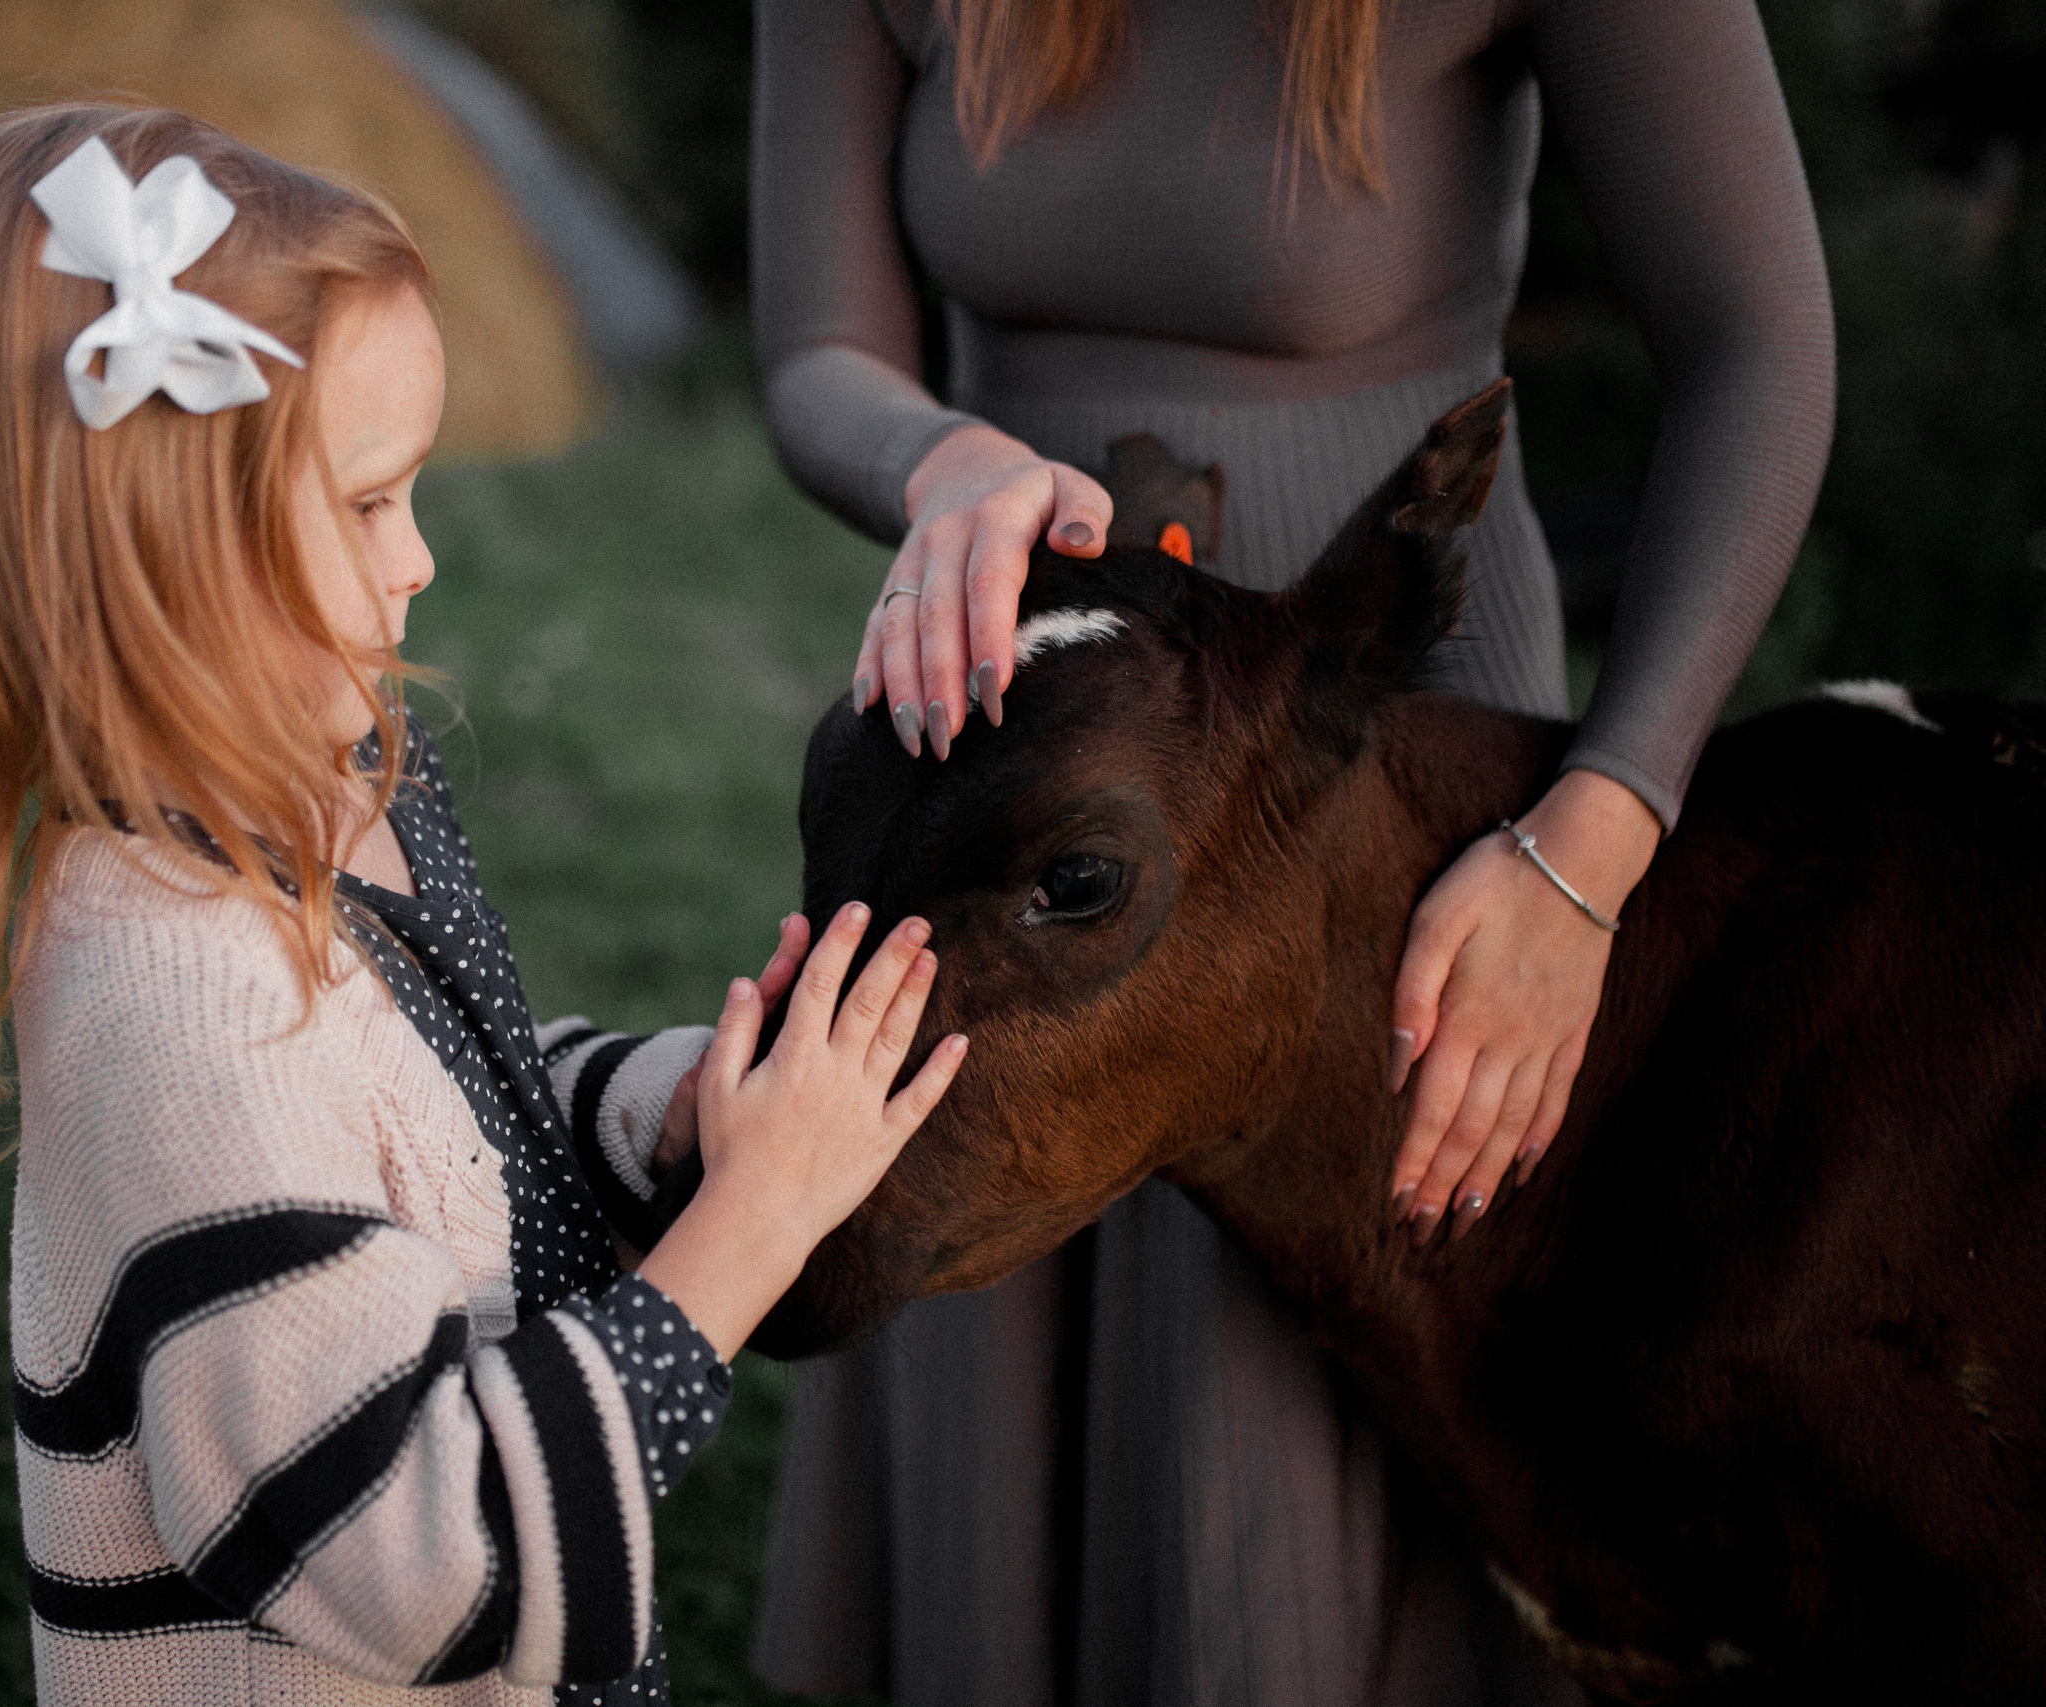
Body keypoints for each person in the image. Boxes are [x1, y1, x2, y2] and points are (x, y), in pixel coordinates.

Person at [748, 1, 1834, 1702]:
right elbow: (818, 344)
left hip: (1370, 788)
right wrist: (941, 460)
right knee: (951, 1275)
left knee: (1278, 1451)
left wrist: (1601, 828)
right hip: (1000, 761)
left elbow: (1761, 343)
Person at [0, 103, 968, 1707]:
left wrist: (675, 1117)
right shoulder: (178, 1003)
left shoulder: (339, 793)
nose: (417, 561)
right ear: (150, 550)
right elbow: (434, 1563)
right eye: (368, 504)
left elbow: (449, 1125)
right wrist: (755, 1217)